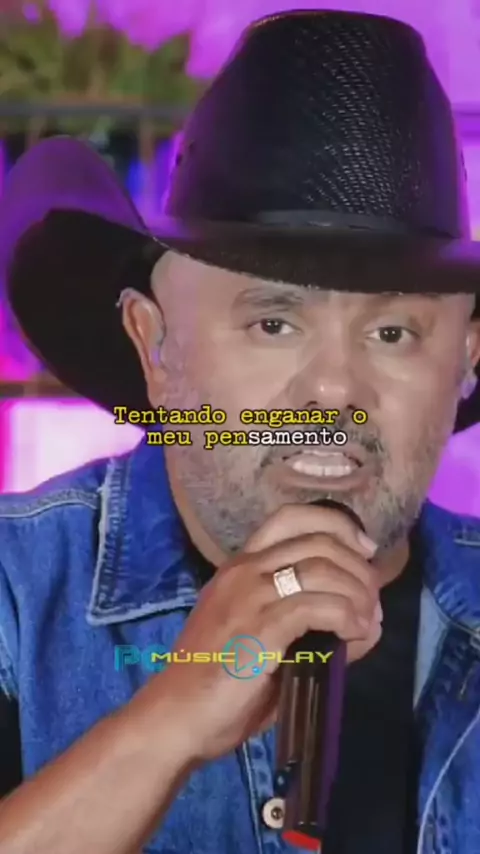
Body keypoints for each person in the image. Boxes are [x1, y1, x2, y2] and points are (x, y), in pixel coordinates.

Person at [0, 9, 479, 854]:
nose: (334, 391)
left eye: (392, 332)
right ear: (153, 344)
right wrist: (170, 720)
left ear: (465, 362)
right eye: (274, 323)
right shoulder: (17, 591)